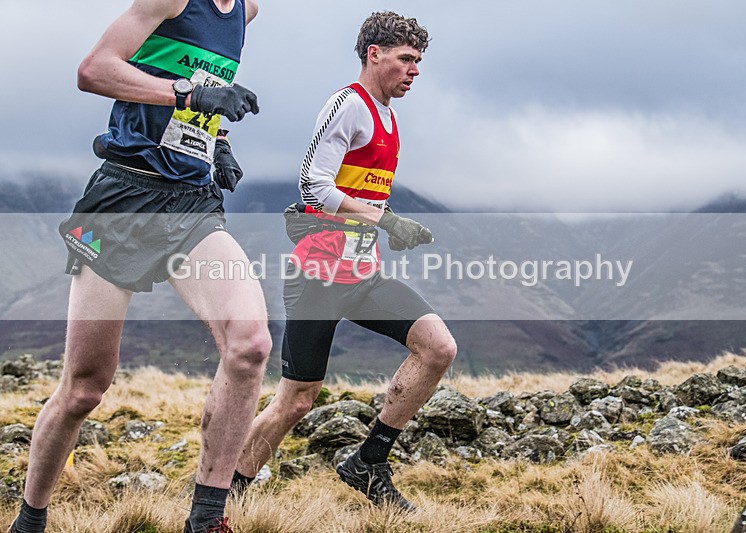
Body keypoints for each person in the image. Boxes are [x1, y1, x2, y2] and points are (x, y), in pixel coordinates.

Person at [8, 1, 270, 532]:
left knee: (250, 345)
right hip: (122, 199)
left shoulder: (245, 12)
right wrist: (188, 95)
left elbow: (201, 86)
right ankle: (30, 521)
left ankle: (206, 519)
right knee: (85, 387)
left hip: (192, 203)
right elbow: (94, 70)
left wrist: (217, 140)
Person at [231, 11, 457, 511]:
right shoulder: (348, 105)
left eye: (419, 61)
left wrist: (388, 226)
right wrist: (386, 221)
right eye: (406, 59)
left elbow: (360, 195)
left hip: (362, 274)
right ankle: (227, 493)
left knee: (438, 347)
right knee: (297, 400)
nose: (415, 70)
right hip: (317, 277)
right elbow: (313, 185)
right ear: (374, 54)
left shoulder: (388, 116)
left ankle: (369, 461)